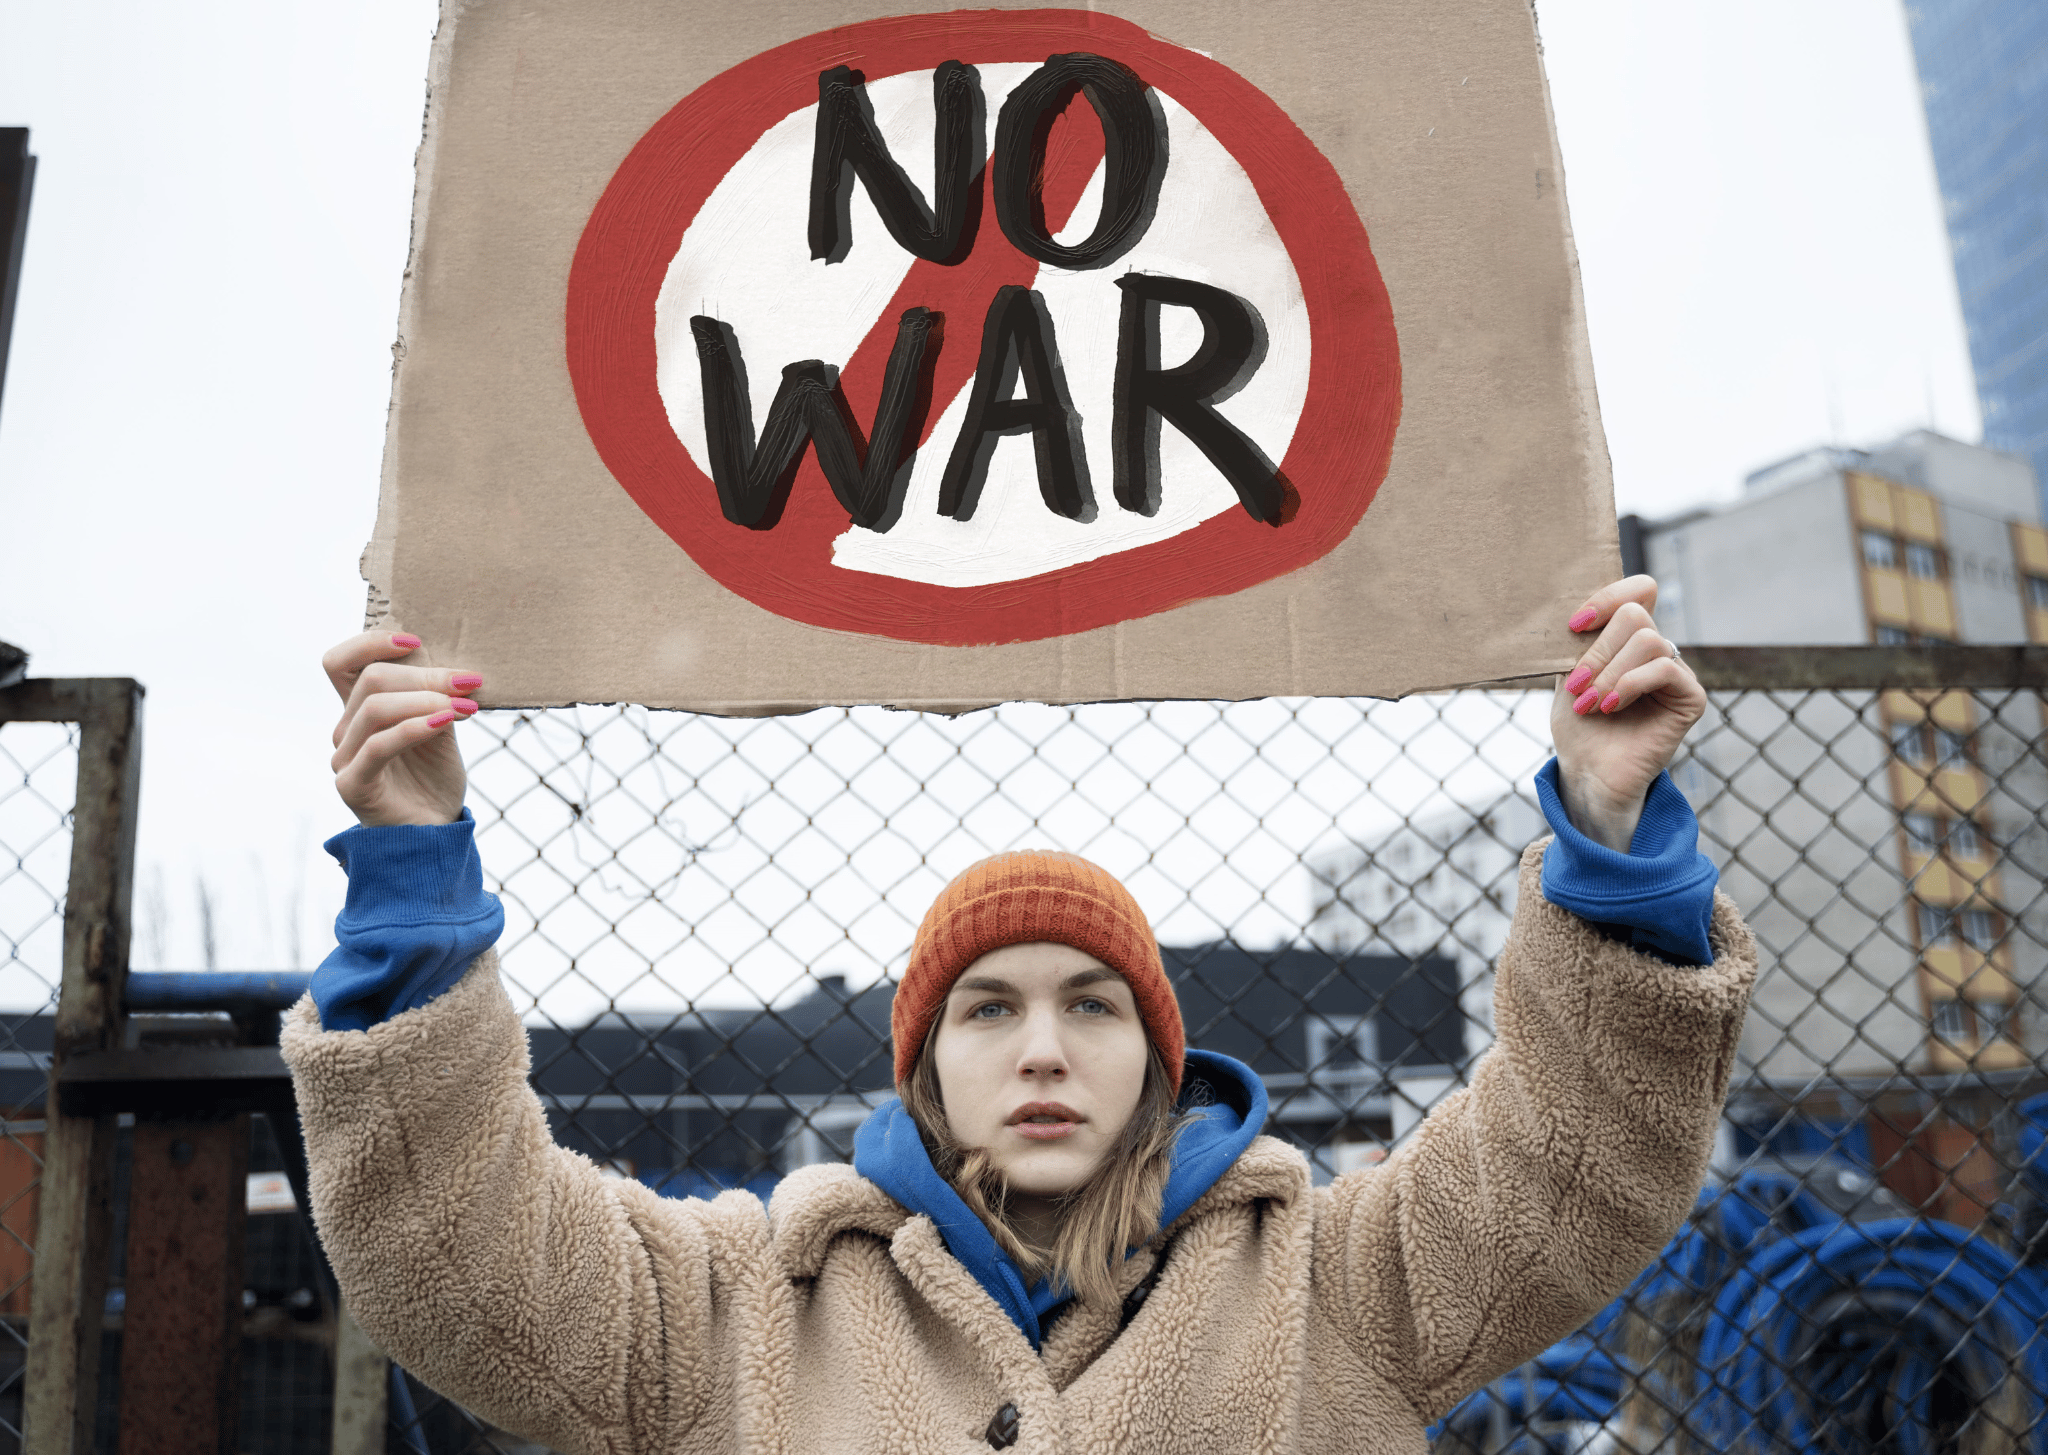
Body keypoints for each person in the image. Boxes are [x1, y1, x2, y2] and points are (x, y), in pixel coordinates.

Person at [285, 575, 1756, 1455]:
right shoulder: (732, 1306)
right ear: (921, 1069)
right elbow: (455, 1252)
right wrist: (414, 880)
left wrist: (1616, 843)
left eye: (1093, 1007)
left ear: (1158, 1061)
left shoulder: (1341, 1282)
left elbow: (1575, 1166)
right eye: (986, 1009)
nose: (1043, 1046)